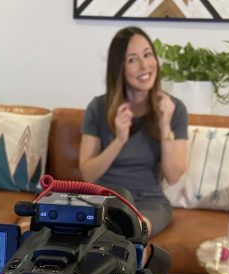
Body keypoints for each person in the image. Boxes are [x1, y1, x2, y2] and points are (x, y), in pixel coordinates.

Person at [79, 26, 188, 237]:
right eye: (132, 59)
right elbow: (87, 174)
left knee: (133, 230)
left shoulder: (174, 109)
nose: (144, 65)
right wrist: (119, 140)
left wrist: (165, 125)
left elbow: (173, 176)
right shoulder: (98, 108)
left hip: (149, 203)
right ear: (119, 67)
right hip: (104, 198)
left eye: (148, 55)